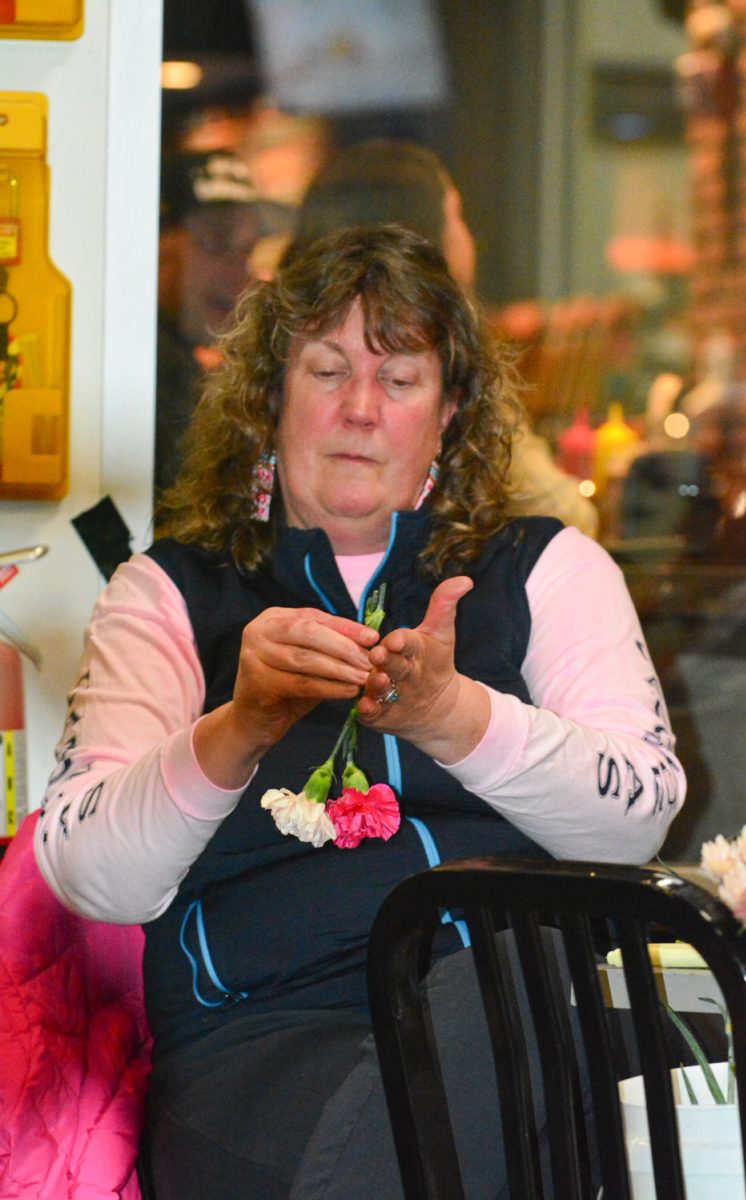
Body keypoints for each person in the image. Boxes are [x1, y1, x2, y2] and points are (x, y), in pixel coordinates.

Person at [36, 226, 685, 1199]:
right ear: (269, 395)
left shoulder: (545, 569)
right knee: (499, 1038)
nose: (358, 411)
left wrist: (450, 716)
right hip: (264, 1046)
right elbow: (94, 879)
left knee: (493, 992)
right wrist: (238, 726)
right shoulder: (168, 595)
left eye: (400, 379)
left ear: (449, 410)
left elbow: (633, 820)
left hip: (525, 1017)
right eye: (326, 370)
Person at [282, 137, 600, 537]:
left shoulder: (276, 342)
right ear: (424, 243)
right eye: (457, 215)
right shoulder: (440, 361)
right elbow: (561, 513)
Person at [155, 148, 296, 495]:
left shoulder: (178, 364)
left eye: (246, 250)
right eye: (215, 244)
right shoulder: (144, 372)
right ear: (154, 245)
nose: (239, 275)